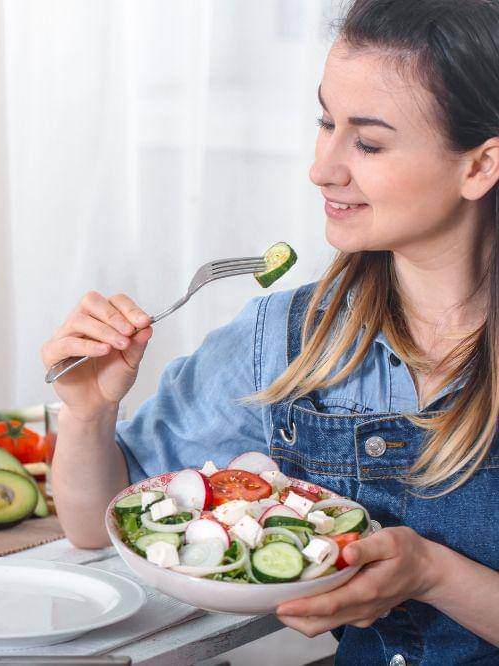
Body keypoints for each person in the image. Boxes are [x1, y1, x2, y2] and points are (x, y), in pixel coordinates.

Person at [41, 0, 499, 662]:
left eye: (367, 142)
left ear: (480, 166)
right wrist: (90, 412)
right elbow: (96, 523)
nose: (323, 167)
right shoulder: (286, 340)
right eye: (325, 122)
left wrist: (434, 573)